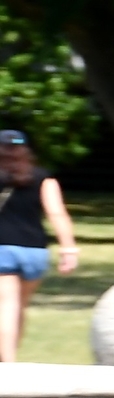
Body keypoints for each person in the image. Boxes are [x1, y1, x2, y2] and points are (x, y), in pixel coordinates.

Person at [0, 129, 79, 362]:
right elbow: (57, 213)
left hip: (2, 249)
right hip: (35, 252)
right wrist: (68, 248)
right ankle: (8, 357)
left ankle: (8, 363)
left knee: (6, 306)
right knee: (18, 308)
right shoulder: (44, 178)